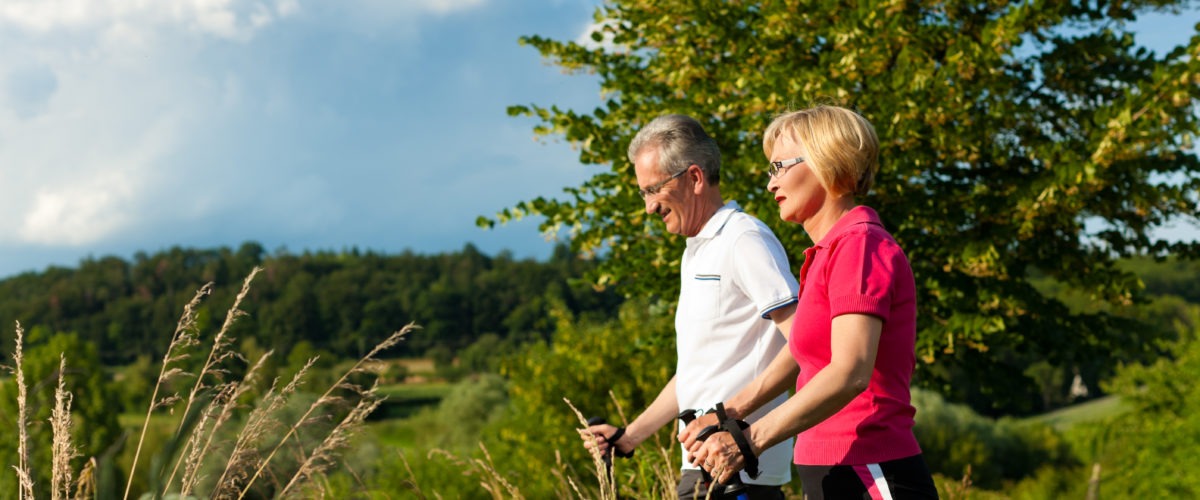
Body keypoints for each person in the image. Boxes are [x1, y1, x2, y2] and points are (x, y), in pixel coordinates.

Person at [687, 105, 938, 499]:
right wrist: (726, 413)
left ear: (827, 162)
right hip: (828, 467)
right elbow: (802, 353)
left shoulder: (860, 245)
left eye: (779, 167)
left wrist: (749, 441)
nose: (770, 184)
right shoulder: (827, 252)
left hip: (869, 466)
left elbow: (850, 371)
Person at [582, 114, 801, 499]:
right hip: (703, 471)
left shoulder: (744, 239)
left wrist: (729, 416)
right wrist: (628, 437)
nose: (649, 207)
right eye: (643, 194)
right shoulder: (696, 251)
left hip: (741, 473)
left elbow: (804, 344)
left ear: (695, 178)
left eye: (654, 190)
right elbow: (696, 372)